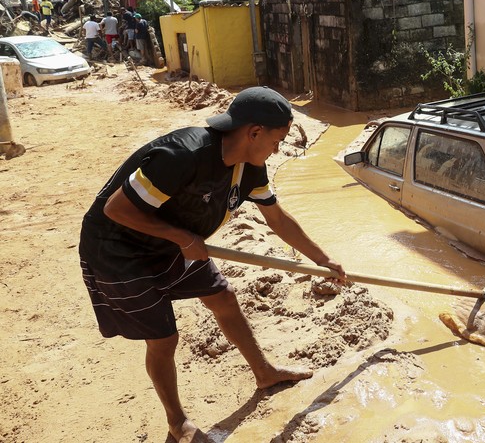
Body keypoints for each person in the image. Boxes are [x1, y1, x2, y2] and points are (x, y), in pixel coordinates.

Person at [78, 87, 346, 443]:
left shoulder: (250, 167)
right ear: (254, 132)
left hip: (176, 241)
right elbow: (116, 210)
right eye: (277, 140)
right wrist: (183, 238)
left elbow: (277, 219)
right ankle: (178, 423)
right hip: (118, 251)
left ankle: (264, 372)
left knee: (223, 297)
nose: (277, 149)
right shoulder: (182, 155)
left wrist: (323, 259)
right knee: (163, 338)